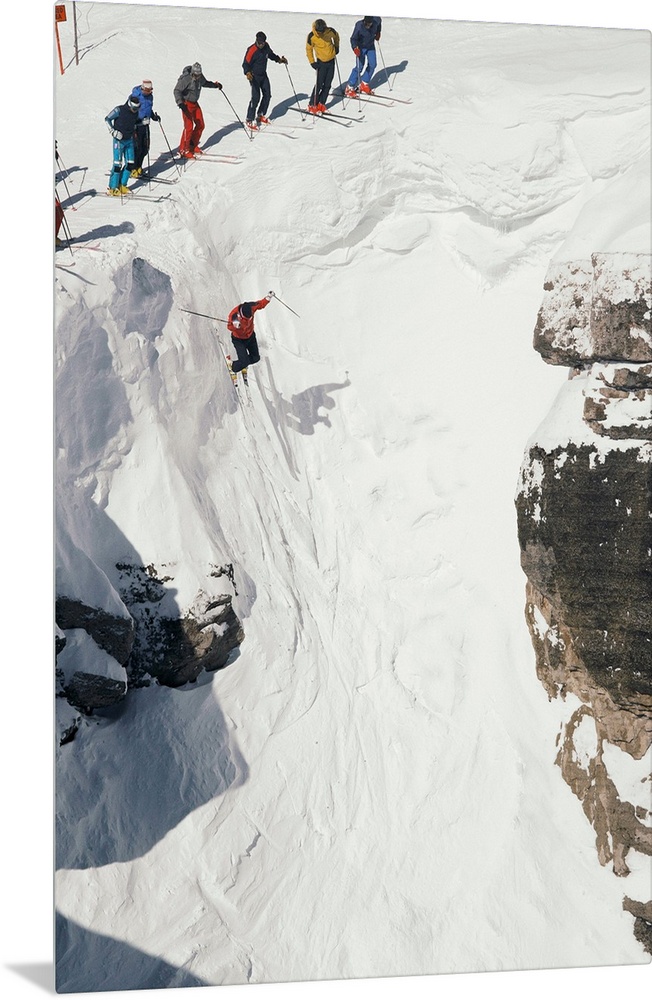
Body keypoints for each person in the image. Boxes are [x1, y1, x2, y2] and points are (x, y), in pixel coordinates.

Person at [173, 62, 223, 158]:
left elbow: (205, 83)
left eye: (199, 75)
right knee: (189, 127)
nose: (197, 77)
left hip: (195, 103)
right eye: (195, 75)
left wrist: (215, 85)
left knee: (200, 124)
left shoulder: (200, 77)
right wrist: (180, 103)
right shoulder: (185, 79)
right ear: (192, 73)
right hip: (186, 104)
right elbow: (177, 90)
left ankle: (192, 145)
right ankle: (184, 149)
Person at [242, 31, 288, 130]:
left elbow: (271, 55)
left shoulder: (266, 47)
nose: (261, 45)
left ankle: (260, 114)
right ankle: (249, 119)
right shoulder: (252, 50)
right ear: (256, 41)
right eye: (259, 43)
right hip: (254, 76)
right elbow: (245, 63)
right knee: (255, 98)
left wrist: (279, 60)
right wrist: (247, 73)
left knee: (267, 95)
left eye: (262, 43)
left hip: (263, 75)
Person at [226, 293, 274, 374]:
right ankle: (232, 367)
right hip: (239, 340)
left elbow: (260, 304)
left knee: (256, 358)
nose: (248, 320)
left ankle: (242, 363)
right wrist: (235, 326)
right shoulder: (234, 316)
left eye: (250, 317)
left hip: (251, 337)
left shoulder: (251, 307)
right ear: (241, 315)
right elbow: (229, 327)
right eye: (246, 318)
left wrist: (268, 298)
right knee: (244, 362)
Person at [104, 94, 141, 195]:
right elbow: (107, 119)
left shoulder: (135, 113)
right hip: (119, 141)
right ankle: (113, 187)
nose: (135, 110)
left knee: (130, 163)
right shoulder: (119, 110)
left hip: (129, 140)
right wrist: (113, 131)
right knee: (117, 164)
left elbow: (134, 122)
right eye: (134, 108)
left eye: (137, 108)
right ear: (129, 104)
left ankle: (122, 184)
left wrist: (142, 122)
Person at [305, 18, 340, 114]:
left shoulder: (330, 31)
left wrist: (336, 47)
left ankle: (321, 103)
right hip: (321, 63)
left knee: (328, 84)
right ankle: (312, 104)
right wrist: (312, 62)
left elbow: (336, 37)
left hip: (331, 61)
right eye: (318, 31)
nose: (320, 33)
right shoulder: (311, 36)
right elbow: (309, 49)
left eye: (322, 31)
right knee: (319, 84)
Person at [130, 79, 161, 176]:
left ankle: (139, 167)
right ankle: (132, 169)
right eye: (147, 91)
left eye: (150, 90)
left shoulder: (150, 97)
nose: (149, 92)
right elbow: (130, 111)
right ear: (143, 89)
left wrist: (153, 116)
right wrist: (138, 121)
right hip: (136, 126)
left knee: (145, 148)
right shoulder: (136, 96)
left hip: (146, 125)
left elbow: (148, 109)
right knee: (137, 148)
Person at [345, 15, 382, 96]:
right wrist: (355, 48)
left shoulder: (376, 21)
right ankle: (349, 87)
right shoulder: (359, 26)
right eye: (366, 24)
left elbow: (379, 22)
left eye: (369, 24)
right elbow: (353, 39)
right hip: (361, 48)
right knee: (359, 67)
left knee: (373, 64)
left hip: (370, 46)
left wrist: (378, 32)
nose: (368, 26)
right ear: (364, 21)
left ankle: (364, 83)